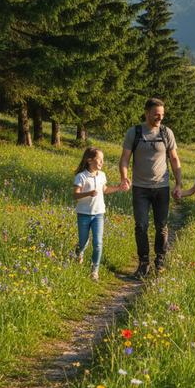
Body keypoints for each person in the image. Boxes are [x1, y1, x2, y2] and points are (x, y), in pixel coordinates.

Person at [119, 98, 182, 278]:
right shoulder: (134, 133)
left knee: (161, 226)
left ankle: (160, 260)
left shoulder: (167, 133)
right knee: (141, 226)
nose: (159, 118)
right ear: (146, 113)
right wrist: (124, 177)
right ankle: (143, 263)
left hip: (162, 187)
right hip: (140, 188)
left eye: (162, 115)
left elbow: (174, 159)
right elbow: (125, 158)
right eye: (156, 115)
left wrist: (178, 183)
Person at [73, 147, 126, 282]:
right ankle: (78, 254)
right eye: (99, 160)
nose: (102, 162)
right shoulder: (81, 176)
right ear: (90, 160)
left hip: (99, 214)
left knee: (98, 243)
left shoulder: (102, 175)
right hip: (84, 214)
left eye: (103, 160)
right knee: (83, 242)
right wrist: (88, 193)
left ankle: (94, 270)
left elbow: (105, 190)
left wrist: (119, 187)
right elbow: (75, 195)